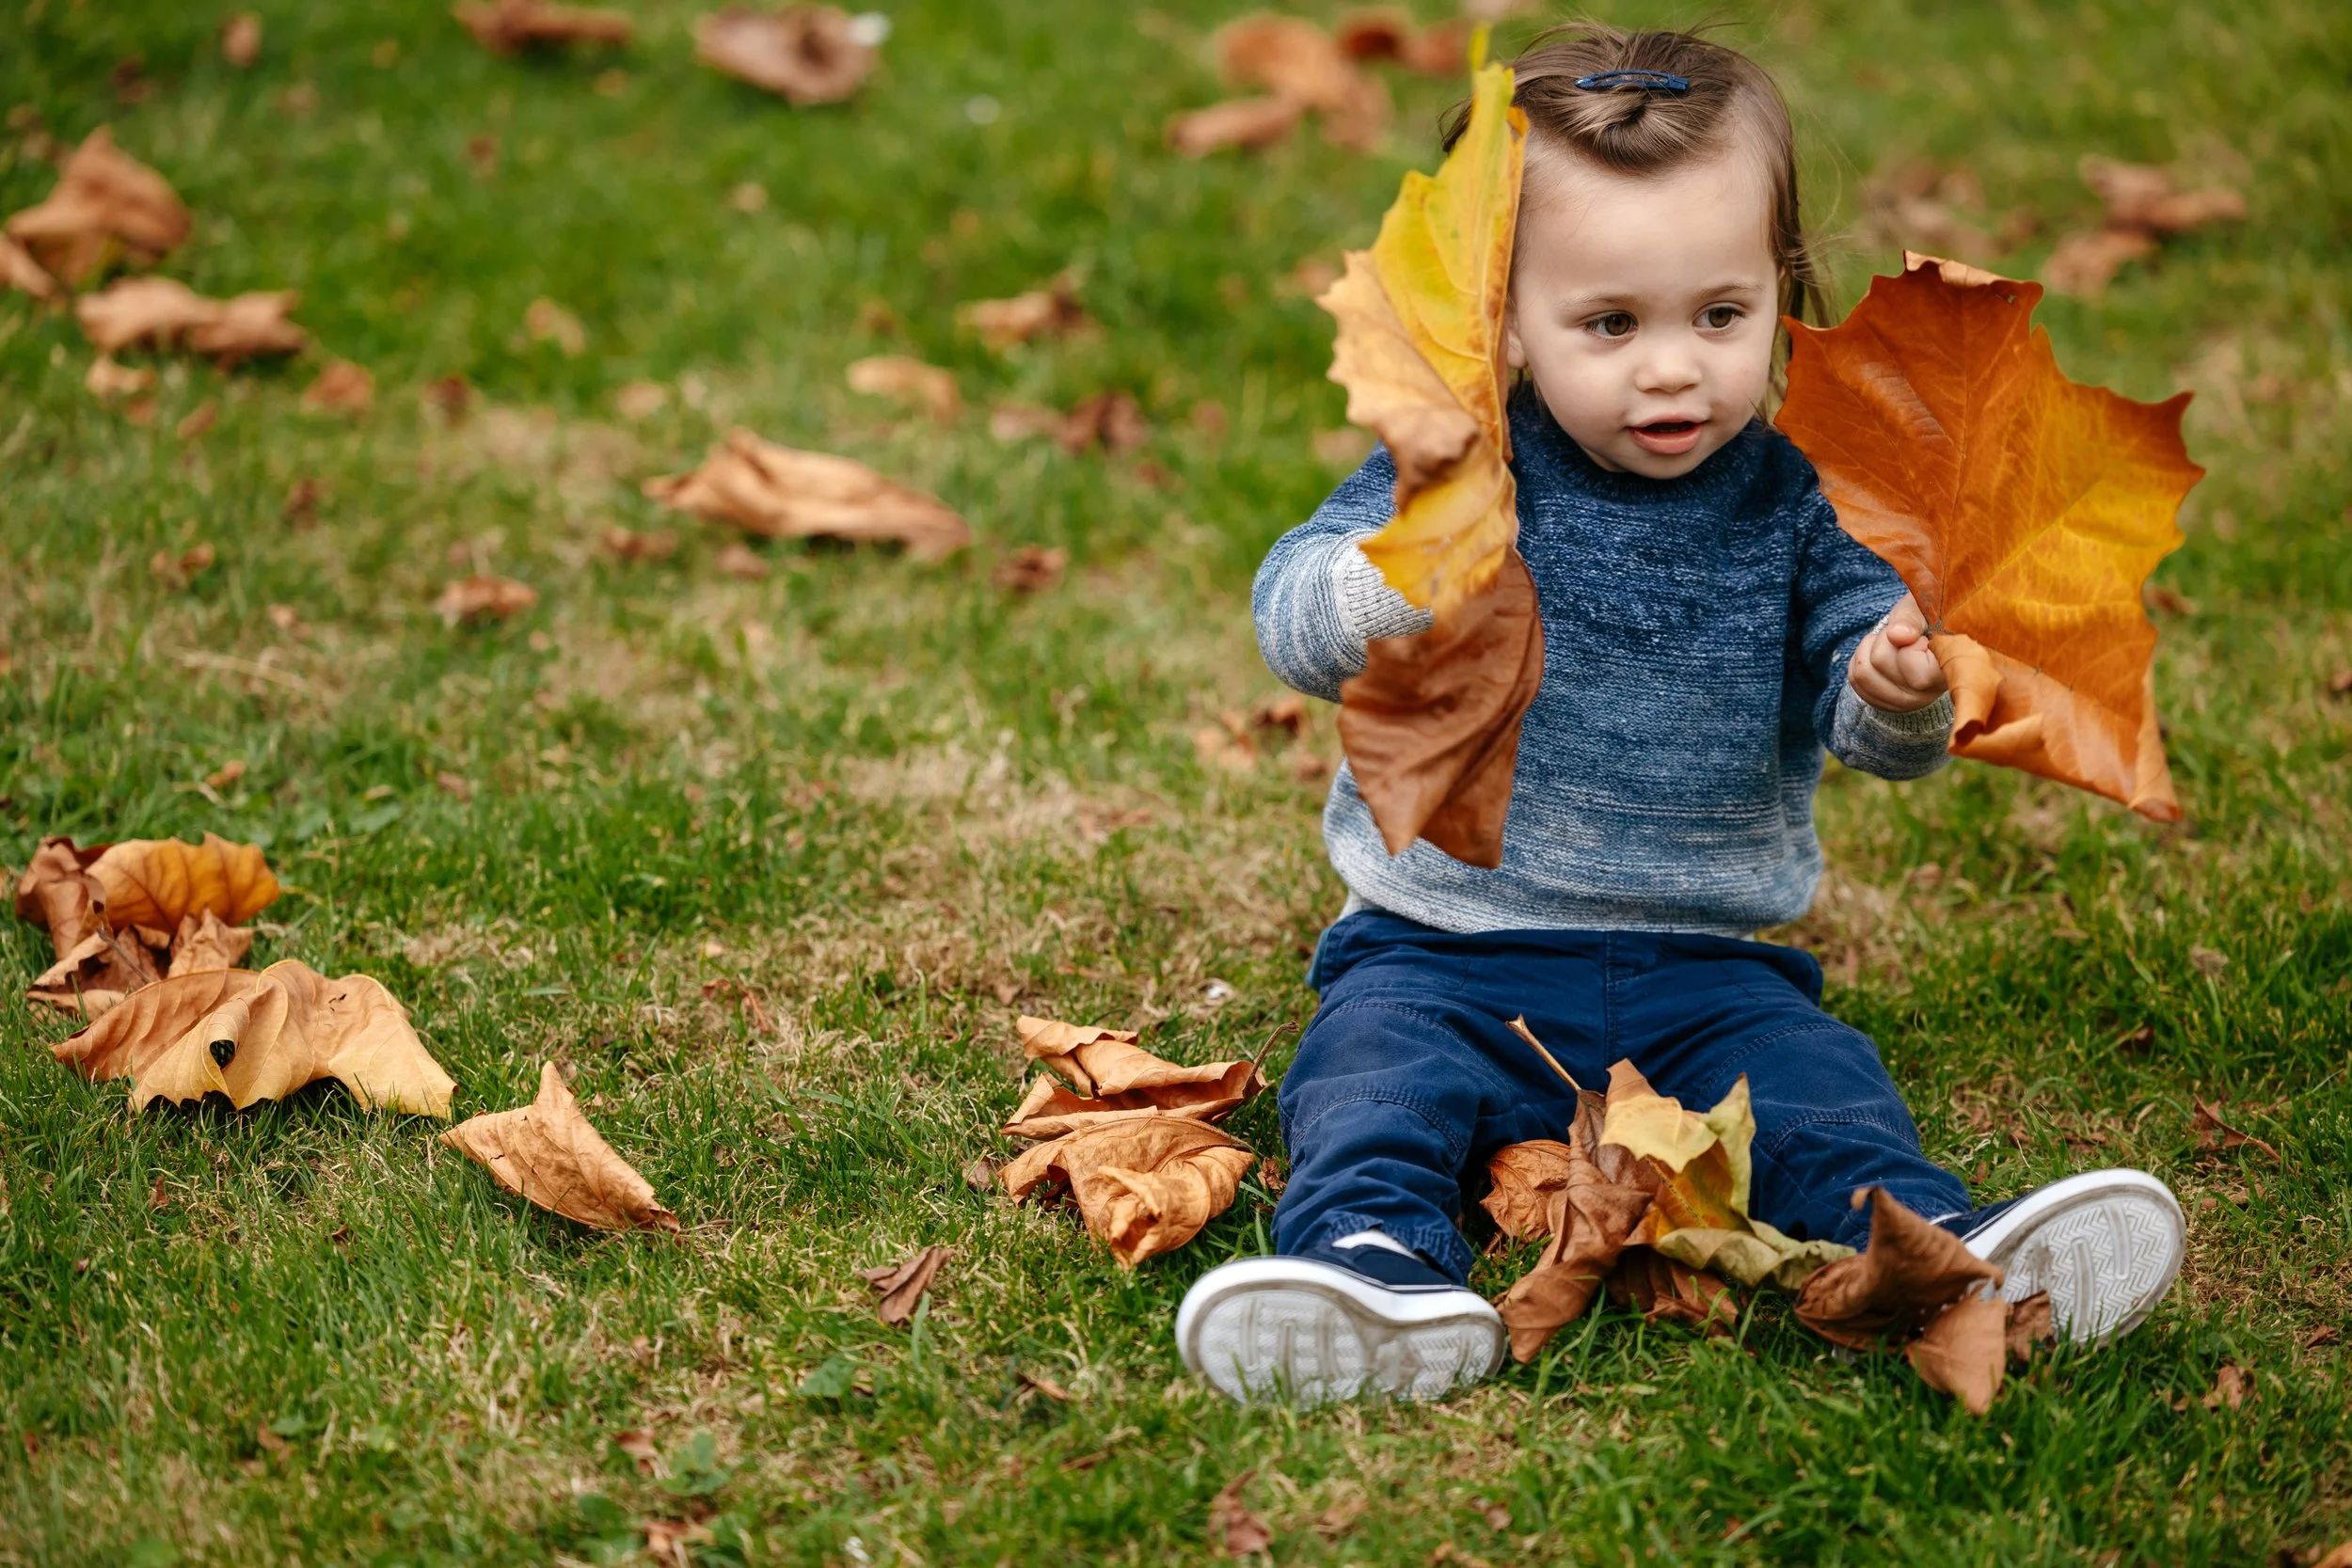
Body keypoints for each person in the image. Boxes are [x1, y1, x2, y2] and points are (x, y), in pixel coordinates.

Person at [1177, 25, 2185, 1405]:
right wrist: (1381, 583)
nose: (1672, 369)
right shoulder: (1454, 469)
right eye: (1612, 324)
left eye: (1720, 315)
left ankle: (1953, 1248)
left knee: (1819, 1091)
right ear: (1501, 318)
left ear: (1780, 291)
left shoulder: (1803, 499)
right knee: (1372, 1080)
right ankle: (1372, 1271)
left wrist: (1893, 682)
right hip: (1442, 947)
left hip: (1706, 967)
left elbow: (1870, 724)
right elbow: (1291, 618)